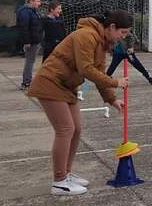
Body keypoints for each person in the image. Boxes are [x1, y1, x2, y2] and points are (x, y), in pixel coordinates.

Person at [27, 10, 131, 196]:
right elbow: (86, 69)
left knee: (76, 128)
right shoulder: (86, 35)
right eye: (122, 32)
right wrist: (115, 83)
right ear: (112, 27)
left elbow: (99, 72)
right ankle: (59, 181)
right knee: (65, 129)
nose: (123, 37)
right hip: (51, 82)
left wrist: (112, 99)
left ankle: (66, 174)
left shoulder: (103, 42)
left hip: (67, 86)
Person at [17, 0, 44, 90]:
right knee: (30, 61)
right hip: (31, 41)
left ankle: (27, 81)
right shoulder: (25, 12)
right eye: (38, 1)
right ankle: (26, 83)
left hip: (36, 40)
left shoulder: (34, 11)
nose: (39, 3)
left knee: (31, 61)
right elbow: (24, 28)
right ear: (31, 1)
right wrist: (26, 42)